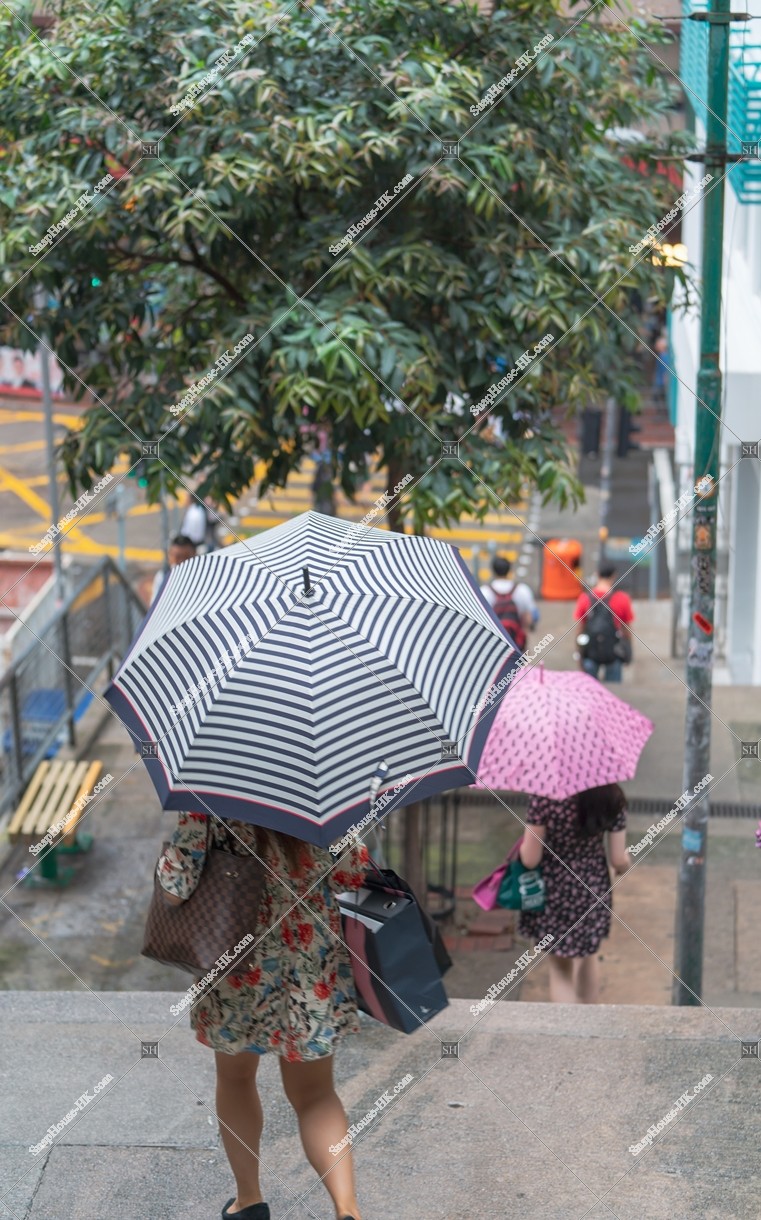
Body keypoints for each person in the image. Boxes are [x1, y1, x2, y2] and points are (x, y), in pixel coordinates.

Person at [158, 814, 367, 1220]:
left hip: (237, 965)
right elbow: (351, 875)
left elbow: (175, 889)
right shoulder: (322, 794)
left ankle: (249, 1201)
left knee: (236, 1079)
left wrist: (169, 858)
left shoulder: (209, 795)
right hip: (309, 965)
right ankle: (347, 1209)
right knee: (316, 1096)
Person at [518, 784, 632, 1003]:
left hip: (554, 891)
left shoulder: (544, 795)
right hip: (592, 888)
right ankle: (587, 1027)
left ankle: (568, 1032)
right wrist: (626, 861)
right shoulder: (611, 795)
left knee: (560, 967)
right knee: (588, 955)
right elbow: (618, 859)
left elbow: (530, 859)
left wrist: (524, 846)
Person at [574, 563, 634, 682]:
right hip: (613, 651)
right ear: (614, 576)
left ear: (597, 575)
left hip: (590, 650)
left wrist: (579, 653)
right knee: (613, 693)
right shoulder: (622, 598)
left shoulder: (585, 598)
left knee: (589, 690)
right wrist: (628, 651)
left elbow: (580, 629)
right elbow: (627, 630)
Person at [480, 556, 537, 652]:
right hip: (516, 644)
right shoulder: (522, 590)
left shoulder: (484, 592)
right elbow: (528, 620)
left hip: (493, 645)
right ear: (509, 570)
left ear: (493, 570)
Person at [150, 534, 196, 603]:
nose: (182, 561)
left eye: (186, 557)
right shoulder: (162, 576)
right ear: (169, 555)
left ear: (195, 555)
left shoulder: (200, 576)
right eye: (177, 557)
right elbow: (154, 604)